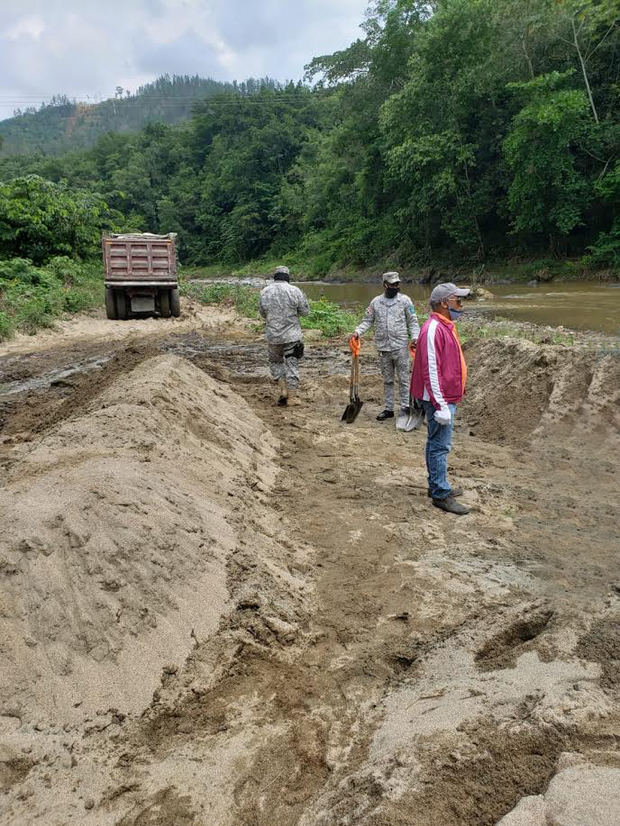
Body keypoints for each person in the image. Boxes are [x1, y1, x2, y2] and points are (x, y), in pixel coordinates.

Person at [411, 282, 471, 515]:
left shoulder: (446, 326)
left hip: (445, 396)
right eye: (458, 299)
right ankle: (440, 494)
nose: (461, 304)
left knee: (436, 441)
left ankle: (436, 484)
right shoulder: (433, 329)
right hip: (439, 398)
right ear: (444, 303)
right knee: (440, 445)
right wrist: (440, 405)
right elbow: (430, 370)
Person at [349, 272, 420, 421]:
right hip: (383, 348)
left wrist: (415, 337)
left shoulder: (405, 301)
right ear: (385, 285)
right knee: (387, 380)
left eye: (397, 284)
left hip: (400, 346)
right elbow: (367, 321)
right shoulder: (376, 302)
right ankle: (388, 409)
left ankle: (405, 407)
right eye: (392, 284)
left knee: (404, 378)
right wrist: (357, 331)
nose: (395, 287)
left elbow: (412, 321)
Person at [259, 265, 310, 407]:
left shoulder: (265, 292)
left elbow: (263, 313)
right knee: (291, 363)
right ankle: (292, 397)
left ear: (274, 277)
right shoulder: (295, 291)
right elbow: (305, 312)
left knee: (276, 362)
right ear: (288, 277)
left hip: (273, 336)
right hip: (292, 335)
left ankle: (282, 390)